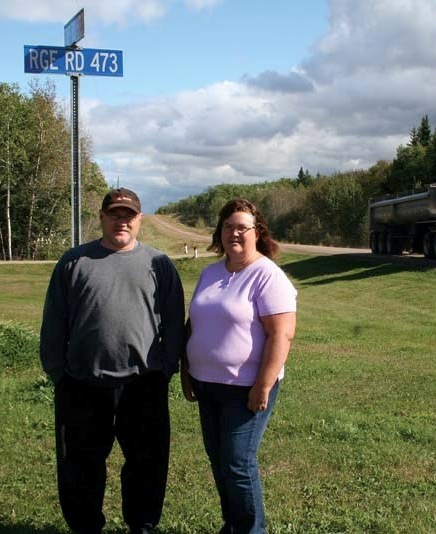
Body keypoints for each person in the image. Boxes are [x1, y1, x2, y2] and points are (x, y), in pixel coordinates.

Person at [40, 187, 185, 534]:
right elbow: (54, 321)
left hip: (143, 383)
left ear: (139, 220)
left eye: (128, 215)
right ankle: (85, 525)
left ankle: (142, 524)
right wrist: (58, 372)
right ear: (102, 218)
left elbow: (174, 321)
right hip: (82, 383)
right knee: (80, 463)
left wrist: (165, 369)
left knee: (146, 462)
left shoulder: (159, 264)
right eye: (114, 214)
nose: (122, 220)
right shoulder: (75, 262)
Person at [181, 199, 297, 533]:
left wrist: (262, 385)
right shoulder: (211, 272)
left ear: (257, 233)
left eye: (242, 227)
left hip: (246, 388)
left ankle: (250, 530)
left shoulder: (267, 276)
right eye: (228, 226)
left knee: (237, 463)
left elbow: (281, 335)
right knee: (220, 463)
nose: (234, 233)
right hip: (207, 385)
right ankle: (233, 526)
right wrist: (187, 371)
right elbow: (195, 325)